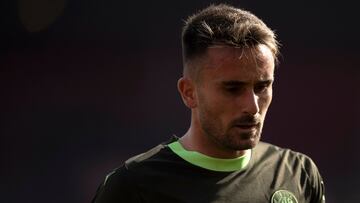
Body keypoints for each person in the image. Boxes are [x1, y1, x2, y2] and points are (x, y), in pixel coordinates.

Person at [92, 3, 325, 203]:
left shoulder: (298, 174)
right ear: (189, 92)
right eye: (233, 89)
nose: (252, 106)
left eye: (262, 87)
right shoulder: (134, 186)